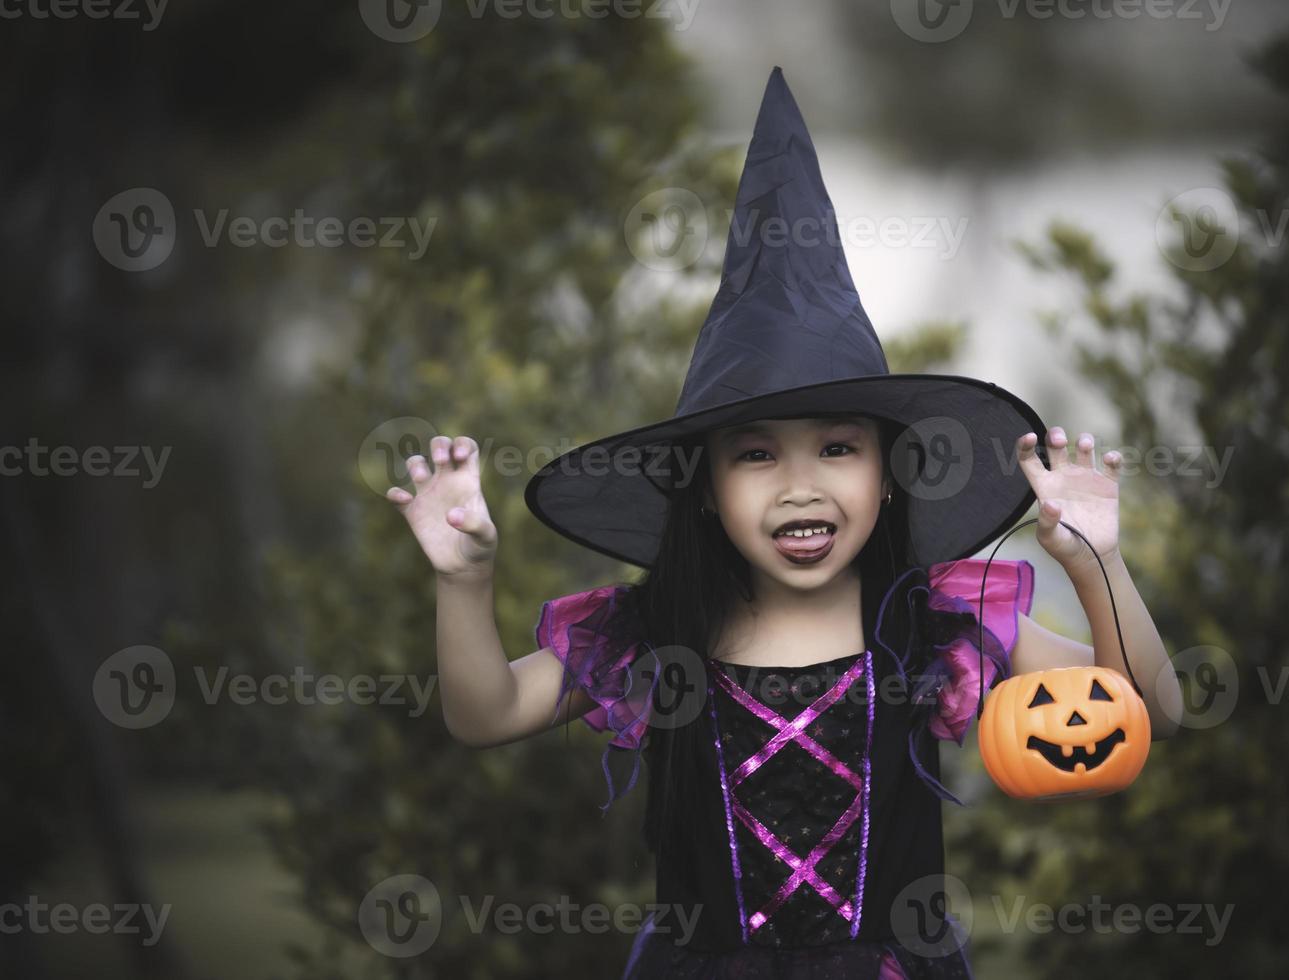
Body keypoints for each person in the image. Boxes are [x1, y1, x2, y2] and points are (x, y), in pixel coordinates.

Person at [387, 68, 1179, 979]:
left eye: (837, 448)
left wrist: (1098, 566)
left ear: (889, 477)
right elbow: (484, 714)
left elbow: (1147, 708)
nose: (799, 486)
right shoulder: (656, 632)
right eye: (755, 455)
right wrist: (462, 581)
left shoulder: (935, 619)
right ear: (705, 488)